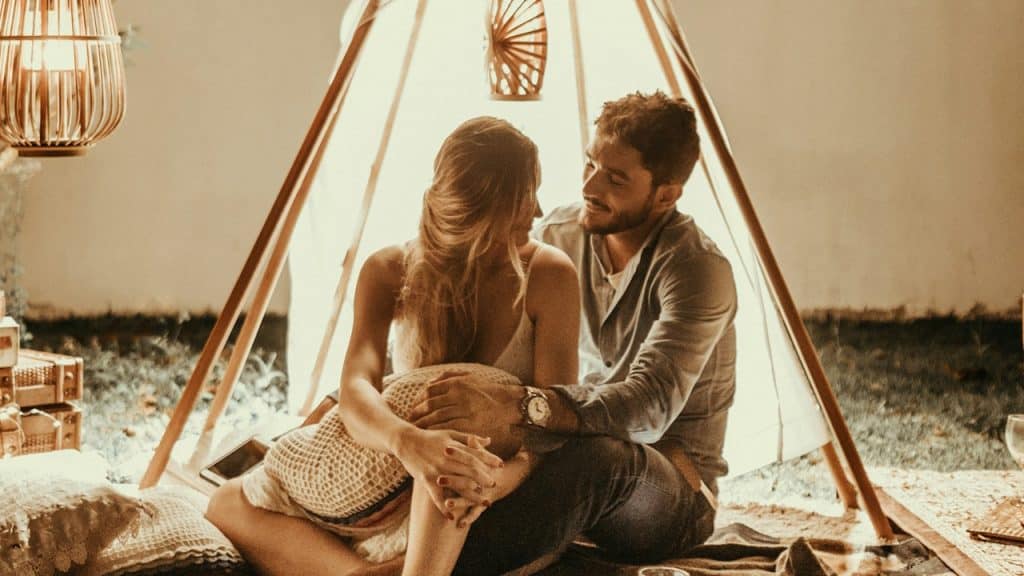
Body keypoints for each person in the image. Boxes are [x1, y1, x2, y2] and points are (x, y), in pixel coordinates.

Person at [205, 116, 582, 576]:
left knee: (454, 450)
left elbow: (558, 419)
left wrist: (494, 481)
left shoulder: (550, 275)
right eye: (527, 196)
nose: (539, 212)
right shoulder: (389, 270)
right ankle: (360, 573)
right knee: (226, 502)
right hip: (394, 470)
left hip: (483, 483)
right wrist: (408, 443)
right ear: (486, 209)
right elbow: (356, 387)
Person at [406, 91, 739, 574]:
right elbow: (463, 298)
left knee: (601, 458)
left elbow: (647, 411)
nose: (590, 184)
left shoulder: (697, 270)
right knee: (462, 443)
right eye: (590, 164)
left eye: (615, 177)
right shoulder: (557, 235)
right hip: (566, 461)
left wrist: (523, 406)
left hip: (665, 487)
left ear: (665, 195)